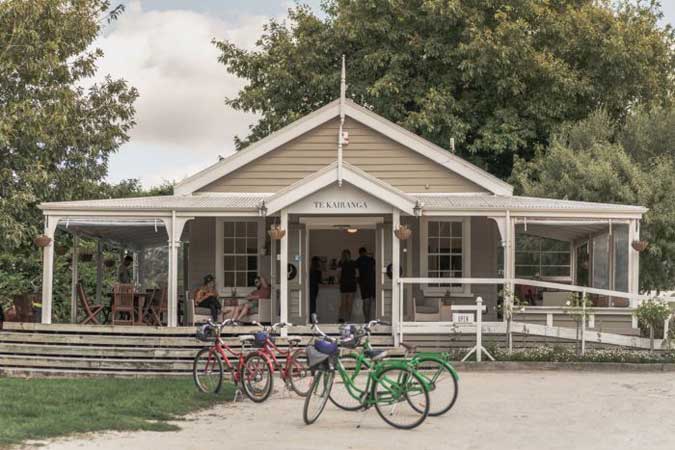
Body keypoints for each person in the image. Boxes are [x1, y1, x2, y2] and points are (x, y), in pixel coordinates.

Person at [337, 249, 358, 323]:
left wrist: (339, 281)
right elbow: (357, 274)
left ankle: (341, 318)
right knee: (349, 304)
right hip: (351, 284)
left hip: (344, 284)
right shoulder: (353, 263)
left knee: (343, 303)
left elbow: (339, 274)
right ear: (350, 255)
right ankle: (348, 319)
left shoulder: (341, 263)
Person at [356, 247, 376, 322]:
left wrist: (358, 281)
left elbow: (356, 273)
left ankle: (366, 319)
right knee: (371, 302)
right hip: (372, 282)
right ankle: (370, 319)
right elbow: (375, 270)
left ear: (360, 253)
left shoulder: (358, 261)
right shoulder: (371, 260)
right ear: (365, 252)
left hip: (363, 284)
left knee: (365, 302)